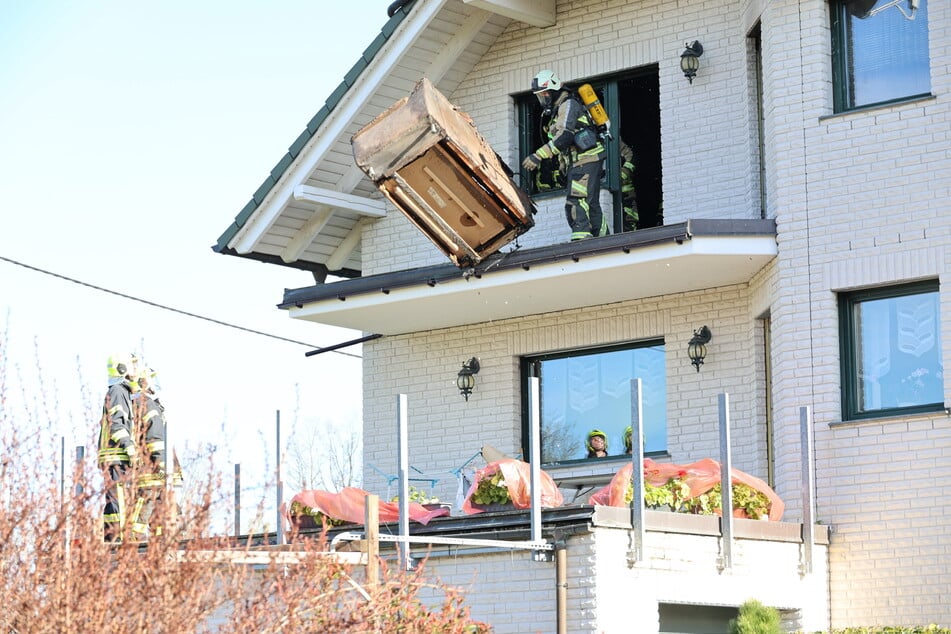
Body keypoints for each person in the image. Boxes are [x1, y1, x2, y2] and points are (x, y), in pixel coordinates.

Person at [522, 69, 607, 242]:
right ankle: (604, 239)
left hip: (586, 159)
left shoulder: (568, 104)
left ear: (553, 90)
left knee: (576, 200)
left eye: (545, 94)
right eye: (540, 95)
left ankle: (581, 240)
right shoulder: (559, 108)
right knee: (591, 204)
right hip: (583, 160)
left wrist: (537, 156)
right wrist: (563, 167)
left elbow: (565, 136)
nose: (543, 98)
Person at [97, 353, 141, 542]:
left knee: (115, 500)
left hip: (114, 457)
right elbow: (117, 424)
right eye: (132, 367)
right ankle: (118, 539)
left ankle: (113, 538)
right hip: (117, 456)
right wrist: (130, 448)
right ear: (122, 369)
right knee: (119, 500)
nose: (136, 372)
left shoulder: (121, 392)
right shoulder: (117, 391)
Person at [129, 365, 168, 541]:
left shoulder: (138, 404)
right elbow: (155, 438)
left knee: (161, 511)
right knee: (146, 507)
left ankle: (158, 544)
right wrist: (161, 462)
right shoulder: (148, 406)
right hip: (151, 470)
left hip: (148, 469)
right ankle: (133, 543)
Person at [619, 139, 638, 232]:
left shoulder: (613, 139)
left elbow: (631, 157)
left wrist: (621, 176)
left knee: (629, 222)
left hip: (626, 194)